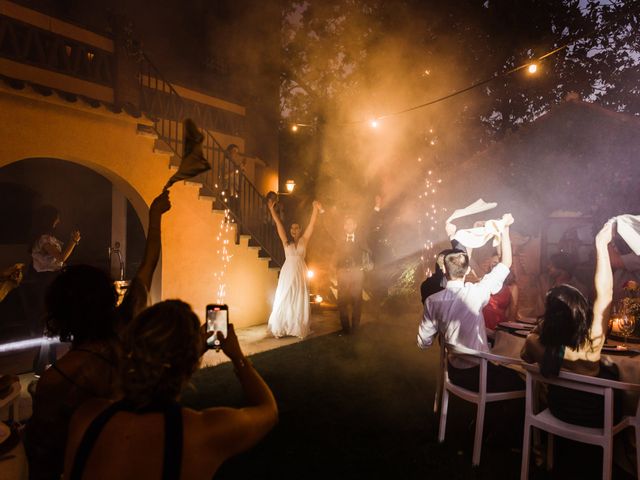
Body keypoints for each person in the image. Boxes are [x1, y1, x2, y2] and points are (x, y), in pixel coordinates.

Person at [24, 190, 170, 480]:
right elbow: (147, 266)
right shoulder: (123, 325)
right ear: (108, 298)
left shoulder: (55, 381)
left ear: (59, 314)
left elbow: (43, 465)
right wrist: (154, 219)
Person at [63, 300, 278, 480]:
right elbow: (268, 409)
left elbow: (138, 390)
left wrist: (187, 356)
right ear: (190, 363)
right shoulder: (202, 432)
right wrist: (237, 356)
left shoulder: (87, 417)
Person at [521, 221, 620, 427]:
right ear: (579, 310)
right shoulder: (591, 342)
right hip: (595, 416)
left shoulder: (534, 341)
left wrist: (543, 325)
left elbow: (525, 357)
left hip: (560, 410)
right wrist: (601, 244)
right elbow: (605, 294)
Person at [417, 213, 523, 392]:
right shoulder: (476, 292)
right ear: (466, 271)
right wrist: (505, 228)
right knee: (523, 379)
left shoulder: (432, 302)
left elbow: (424, 343)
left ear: (444, 270)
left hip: (453, 373)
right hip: (479, 374)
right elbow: (507, 262)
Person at [267, 198, 321, 338]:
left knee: (298, 297)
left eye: (296, 228)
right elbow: (279, 225)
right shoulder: (286, 241)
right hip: (288, 271)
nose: (294, 230)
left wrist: (315, 208)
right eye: (292, 228)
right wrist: (272, 210)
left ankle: (297, 327)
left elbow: (312, 224)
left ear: (300, 229)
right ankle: (282, 326)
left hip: (300, 271)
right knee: (285, 296)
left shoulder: (304, 240)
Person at [334, 215, 372, 335]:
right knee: (342, 302)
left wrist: (376, 208)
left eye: (351, 223)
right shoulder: (339, 239)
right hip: (342, 274)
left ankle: (355, 329)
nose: (349, 225)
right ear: (344, 227)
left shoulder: (361, 238)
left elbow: (368, 251)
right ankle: (345, 329)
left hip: (357, 274)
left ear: (355, 226)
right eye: (346, 223)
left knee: (357, 302)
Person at [482, 252, 519, 331]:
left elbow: (513, 310)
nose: (497, 267)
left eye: (500, 264)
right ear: (490, 264)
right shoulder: (485, 281)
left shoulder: (512, 286)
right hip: (482, 322)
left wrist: (509, 330)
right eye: (494, 263)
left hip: (498, 324)